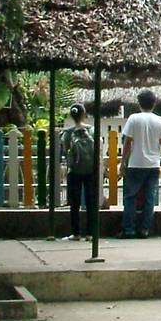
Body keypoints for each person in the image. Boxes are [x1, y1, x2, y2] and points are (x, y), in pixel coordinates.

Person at [120, 89, 161, 239]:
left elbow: (127, 143)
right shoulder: (160, 121)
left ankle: (128, 229)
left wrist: (123, 163)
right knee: (149, 198)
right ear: (154, 103)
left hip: (135, 164)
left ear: (139, 103)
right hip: (153, 165)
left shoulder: (133, 119)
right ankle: (144, 229)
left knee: (130, 197)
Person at [59, 103, 97, 241]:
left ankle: (76, 233)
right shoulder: (91, 130)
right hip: (90, 170)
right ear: (84, 114)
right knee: (90, 201)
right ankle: (90, 234)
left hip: (74, 170)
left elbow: (66, 150)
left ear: (71, 115)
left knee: (74, 202)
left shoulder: (68, 133)